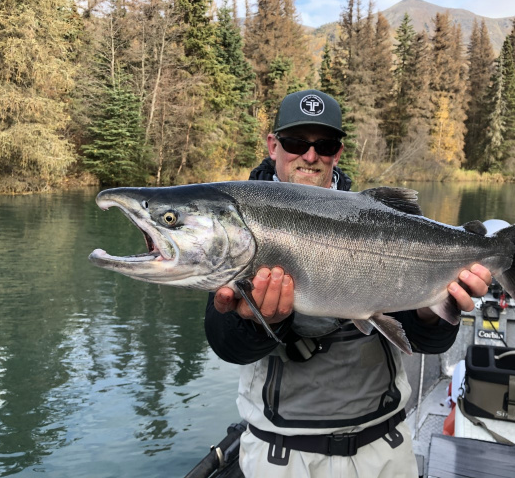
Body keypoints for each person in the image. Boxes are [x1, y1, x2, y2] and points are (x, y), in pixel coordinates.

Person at [204, 89, 491, 477]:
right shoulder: (239, 224)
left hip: (384, 448)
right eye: (295, 142)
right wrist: (259, 321)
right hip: (282, 456)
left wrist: (430, 310)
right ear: (273, 145)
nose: (310, 155)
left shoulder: (379, 219)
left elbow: (429, 342)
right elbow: (227, 346)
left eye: (324, 144)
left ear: (337, 152)